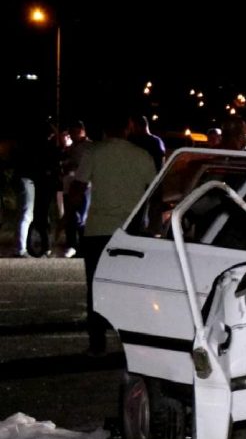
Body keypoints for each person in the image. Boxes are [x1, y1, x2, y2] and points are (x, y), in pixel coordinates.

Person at [71, 114, 157, 355]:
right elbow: (155, 192)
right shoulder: (142, 156)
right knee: (128, 286)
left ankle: (97, 342)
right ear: (128, 127)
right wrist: (153, 226)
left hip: (98, 229)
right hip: (129, 232)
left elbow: (77, 189)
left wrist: (70, 218)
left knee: (95, 287)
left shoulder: (94, 153)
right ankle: (130, 342)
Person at [13, 121, 62, 257]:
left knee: (32, 214)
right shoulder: (42, 145)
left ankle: (29, 246)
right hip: (33, 180)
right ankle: (22, 248)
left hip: (35, 181)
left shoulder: (32, 144)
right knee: (29, 214)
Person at [61, 121, 92, 258]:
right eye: (70, 133)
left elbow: (87, 167)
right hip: (68, 186)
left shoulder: (89, 147)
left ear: (81, 131)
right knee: (70, 216)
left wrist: (72, 166)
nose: (71, 136)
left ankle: (83, 246)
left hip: (83, 187)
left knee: (81, 217)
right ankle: (72, 245)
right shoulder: (71, 146)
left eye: (74, 132)